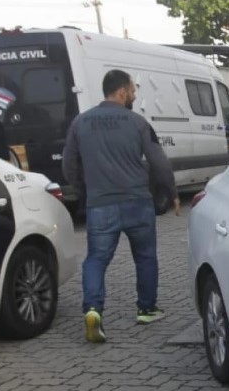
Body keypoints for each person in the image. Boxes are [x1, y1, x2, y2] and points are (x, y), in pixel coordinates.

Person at [62, 69, 180, 344]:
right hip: (137, 202)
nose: (135, 95)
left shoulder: (80, 123)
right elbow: (158, 161)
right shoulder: (138, 123)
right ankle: (147, 309)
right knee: (146, 256)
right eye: (132, 90)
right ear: (122, 92)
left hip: (100, 205)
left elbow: (69, 166)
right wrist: (171, 192)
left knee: (96, 259)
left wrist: (84, 191)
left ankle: (93, 310)